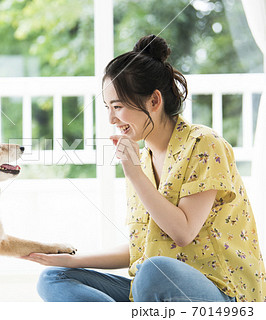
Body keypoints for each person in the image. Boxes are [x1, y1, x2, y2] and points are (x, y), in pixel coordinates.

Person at [22, 35, 265, 302]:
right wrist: (72, 260)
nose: (111, 119)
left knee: (152, 271)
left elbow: (182, 233)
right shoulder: (143, 158)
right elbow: (144, 246)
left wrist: (134, 174)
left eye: (118, 106)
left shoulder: (203, 143)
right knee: (55, 277)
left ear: (154, 101)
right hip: (152, 289)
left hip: (223, 294)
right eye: (107, 107)